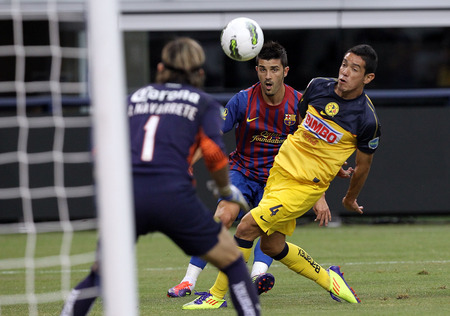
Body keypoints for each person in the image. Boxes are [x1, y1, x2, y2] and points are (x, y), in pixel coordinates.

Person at [60, 37, 260, 316]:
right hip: (173, 196)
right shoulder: (204, 103)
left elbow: (100, 150)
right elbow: (214, 154)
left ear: (160, 67)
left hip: (127, 197)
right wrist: (226, 191)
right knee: (233, 263)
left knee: (100, 275)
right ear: (200, 73)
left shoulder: (131, 99)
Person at [180, 41, 341, 311]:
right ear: (256, 70)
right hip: (242, 171)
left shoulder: (299, 104)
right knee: (224, 217)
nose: (268, 76)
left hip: (280, 179)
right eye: (263, 69)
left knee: (266, 232)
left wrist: (319, 195)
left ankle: (256, 277)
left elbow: (312, 151)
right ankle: (188, 280)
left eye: (274, 70)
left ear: (285, 71)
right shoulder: (243, 100)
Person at [230, 43, 380, 305]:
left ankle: (220, 295)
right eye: (344, 64)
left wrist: (348, 198)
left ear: (368, 78)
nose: (345, 72)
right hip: (281, 171)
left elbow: (363, 165)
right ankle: (330, 280)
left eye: (354, 69)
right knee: (272, 246)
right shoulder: (318, 86)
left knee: (246, 226)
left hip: (304, 184)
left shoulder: (367, 119)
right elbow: (301, 126)